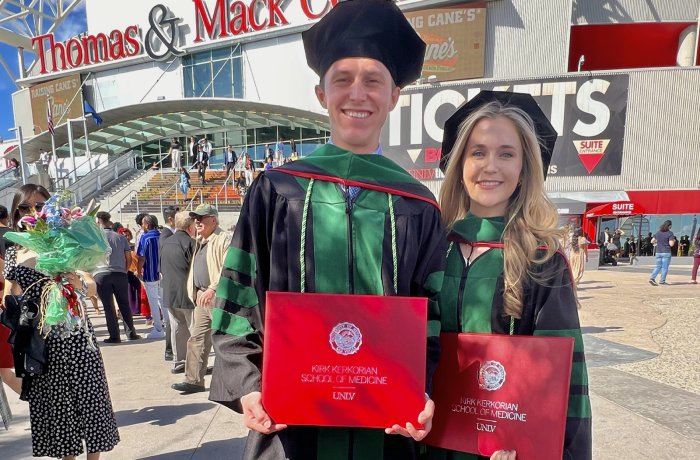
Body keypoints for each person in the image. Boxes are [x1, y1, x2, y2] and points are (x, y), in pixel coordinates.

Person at [209, 1, 445, 458]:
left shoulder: (418, 205)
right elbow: (237, 295)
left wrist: (422, 390)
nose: (358, 93)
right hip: (290, 428)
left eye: (373, 80)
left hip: (386, 427)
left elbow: (432, 317)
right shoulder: (277, 189)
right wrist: (248, 386)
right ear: (321, 94)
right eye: (343, 79)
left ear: (395, 95)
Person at [433, 91, 592, 460]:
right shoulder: (431, 252)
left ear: (524, 168)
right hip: (427, 443)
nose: (491, 166)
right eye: (478, 152)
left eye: (507, 153)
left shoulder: (542, 263)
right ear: (459, 163)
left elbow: (566, 382)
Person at [3, 186, 120, 458]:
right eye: (25, 208)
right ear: (15, 212)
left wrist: (78, 283)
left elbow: (90, 285)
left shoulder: (65, 241)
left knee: (90, 401)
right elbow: (11, 292)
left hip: (76, 336)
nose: (34, 212)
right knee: (58, 407)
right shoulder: (14, 251)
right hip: (40, 341)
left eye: (41, 206)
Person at [172, 204, 230, 394]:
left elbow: (227, 269)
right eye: (195, 218)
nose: (197, 222)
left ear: (213, 219)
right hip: (201, 298)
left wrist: (213, 289)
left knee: (223, 340)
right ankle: (194, 380)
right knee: (196, 339)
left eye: (201, 218)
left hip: (216, 297)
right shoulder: (199, 240)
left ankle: (230, 381)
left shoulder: (223, 239)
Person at [93, 211, 141, 343]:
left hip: (101, 274)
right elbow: (128, 257)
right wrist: (124, 270)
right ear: (109, 220)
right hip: (120, 273)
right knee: (124, 304)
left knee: (108, 306)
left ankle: (114, 336)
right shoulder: (120, 238)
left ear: (98, 221)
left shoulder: (94, 238)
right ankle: (131, 333)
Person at [160, 211, 196, 374]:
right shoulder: (191, 243)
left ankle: (179, 360)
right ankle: (194, 364)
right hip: (187, 292)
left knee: (176, 327)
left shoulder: (166, 242)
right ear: (190, 226)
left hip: (170, 291)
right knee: (194, 329)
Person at [136, 215, 166, 338]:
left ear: (147, 225)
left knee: (153, 302)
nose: (142, 226)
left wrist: (138, 271)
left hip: (150, 273)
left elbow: (141, 257)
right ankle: (168, 325)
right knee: (164, 301)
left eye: (143, 224)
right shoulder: (163, 236)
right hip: (163, 274)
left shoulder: (145, 237)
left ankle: (158, 328)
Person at [160, 206, 179, 361]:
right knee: (171, 319)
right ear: (171, 219)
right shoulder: (166, 236)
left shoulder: (169, 234)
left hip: (172, 282)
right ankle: (169, 349)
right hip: (171, 282)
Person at [649, 220, 676, 286]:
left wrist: (657, 243)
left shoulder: (658, 232)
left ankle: (652, 278)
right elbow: (671, 244)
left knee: (658, 266)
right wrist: (674, 241)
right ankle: (662, 281)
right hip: (666, 252)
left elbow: (652, 241)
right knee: (664, 267)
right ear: (669, 226)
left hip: (658, 252)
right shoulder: (670, 233)